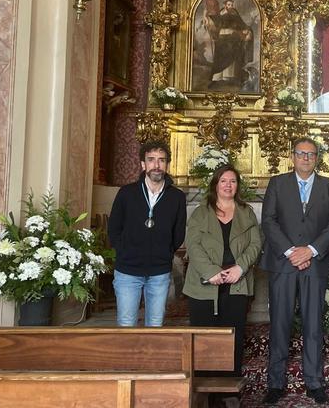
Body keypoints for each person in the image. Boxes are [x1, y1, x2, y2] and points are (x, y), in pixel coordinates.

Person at [260, 138, 329, 405]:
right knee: (280, 324)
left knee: (313, 325)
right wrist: (290, 252)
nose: (306, 158)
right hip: (283, 264)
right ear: (292, 156)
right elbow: (269, 220)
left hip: (314, 264)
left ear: (317, 158)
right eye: (301, 153)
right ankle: (275, 383)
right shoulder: (278, 183)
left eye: (311, 154)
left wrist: (310, 250)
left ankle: (314, 382)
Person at [182, 165, 262, 407]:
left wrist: (240, 268)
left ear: (238, 186)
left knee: (232, 339)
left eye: (233, 181)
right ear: (215, 185)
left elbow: (255, 245)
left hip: (236, 283)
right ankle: (204, 395)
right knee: (204, 340)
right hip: (204, 284)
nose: (228, 185)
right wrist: (211, 272)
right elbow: (193, 246)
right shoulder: (200, 213)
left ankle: (229, 393)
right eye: (223, 181)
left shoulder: (246, 212)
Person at [108, 140, 187, 327]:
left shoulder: (177, 197)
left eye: (161, 160)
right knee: (126, 323)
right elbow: (114, 229)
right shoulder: (126, 193)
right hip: (128, 270)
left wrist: (164, 252)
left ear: (167, 164)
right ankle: (128, 358)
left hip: (159, 271)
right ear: (143, 164)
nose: (156, 165)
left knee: (155, 325)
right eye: (151, 160)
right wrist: (125, 251)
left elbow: (178, 233)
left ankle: (151, 358)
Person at [205, 0, 253, 84]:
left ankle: (230, 76)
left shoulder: (234, 13)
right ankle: (217, 77)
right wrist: (208, 20)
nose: (230, 6)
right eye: (229, 4)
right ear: (225, 5)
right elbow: (215, 23)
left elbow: (241, 23)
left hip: (232, 37)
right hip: (221, 37)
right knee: (221, 56)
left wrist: (247, 29)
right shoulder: (220, 13)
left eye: (231, 5)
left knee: (232, 54)